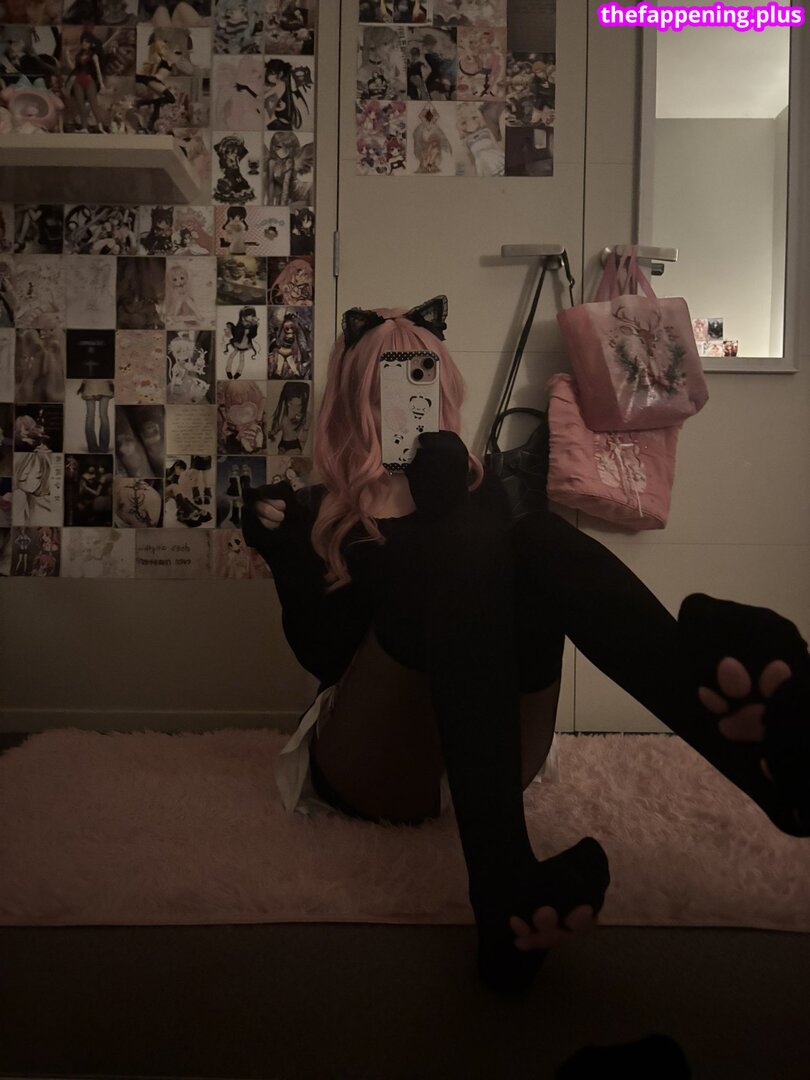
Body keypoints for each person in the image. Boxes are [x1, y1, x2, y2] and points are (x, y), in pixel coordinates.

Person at [241, 297, 810, 995]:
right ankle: (504, 878)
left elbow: (499, 622)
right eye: (388, 386)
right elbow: (324, 658)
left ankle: (762, 757)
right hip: (375, 763)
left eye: (422, 381)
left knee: (534, 537)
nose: (409, 405)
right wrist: (287, 556)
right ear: (358, 400)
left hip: (491, 750)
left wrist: (451, 504)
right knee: (461, 550)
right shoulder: (314, 511)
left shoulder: (472, 491)